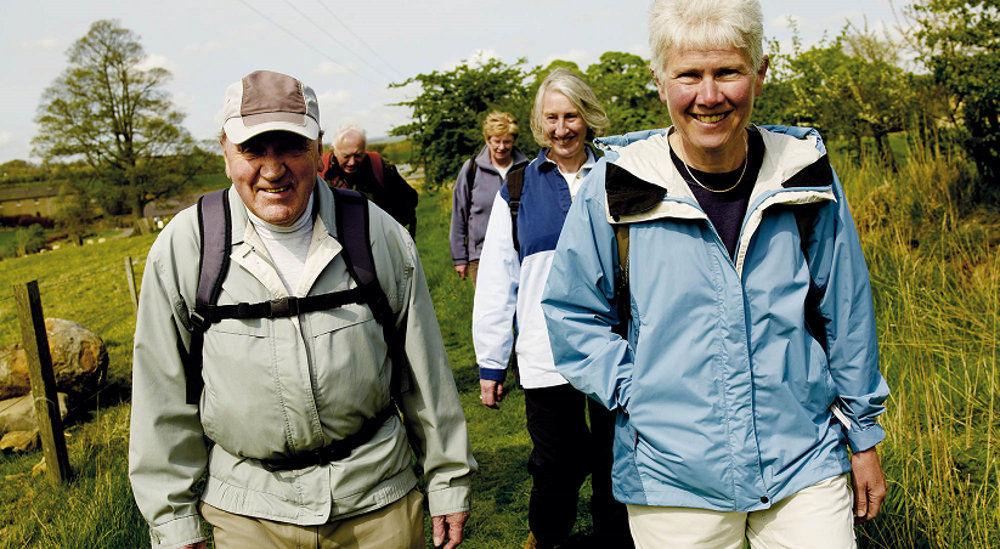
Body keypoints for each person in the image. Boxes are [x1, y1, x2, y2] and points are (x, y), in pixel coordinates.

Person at [540, 1, 890, 548]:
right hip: (672, 479)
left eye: (727, 71)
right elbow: (570, 313)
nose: (709, 96)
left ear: (760, 72)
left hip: (803, 461)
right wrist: (639, 390)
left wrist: (863, 435)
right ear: (659, 81)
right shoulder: (618, 186)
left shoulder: (803, 174)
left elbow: (845, 312)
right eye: (689, 75)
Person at [129, 70, 476, 549]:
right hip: (250, 515)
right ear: (226, 152)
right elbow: (161, 395)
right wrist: (173, 521)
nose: (273, 170)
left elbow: (425, 373)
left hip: (378, 501)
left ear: (318, 149)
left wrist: (448, 480)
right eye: (254, 150)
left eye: (290, 146)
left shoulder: (376, 232)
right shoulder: (186, 247)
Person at [473, 68, 632, 549]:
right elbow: (499, 279)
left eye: (571, 116)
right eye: (552, 119)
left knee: (616, 459)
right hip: (545, 352)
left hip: (616, 349)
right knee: (556, 463)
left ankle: (617, 539)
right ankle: (547, 537)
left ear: (588, 117)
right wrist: (492, 361)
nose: (562, 129)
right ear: (540, 125)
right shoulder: (519, 188)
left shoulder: (618, 175)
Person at [450, 111, 530, 287]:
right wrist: (459, 258)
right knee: (489, 313)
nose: (501, 147)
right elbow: (459, 214)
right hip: (482, 257)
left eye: (507, 141)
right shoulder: (472, 169)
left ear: (514, 141)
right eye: (496, 141)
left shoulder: (527, 169)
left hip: (521, 255)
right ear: (487, 140)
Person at [322, 123, 419, 237]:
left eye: (358, 155)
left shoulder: (378, 167)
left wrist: (386, 228)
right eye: (346, 156)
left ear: (365, 150)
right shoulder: (321, 172)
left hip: (375, 240)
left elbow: (409, 199)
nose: (352, 162)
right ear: (335, 151)